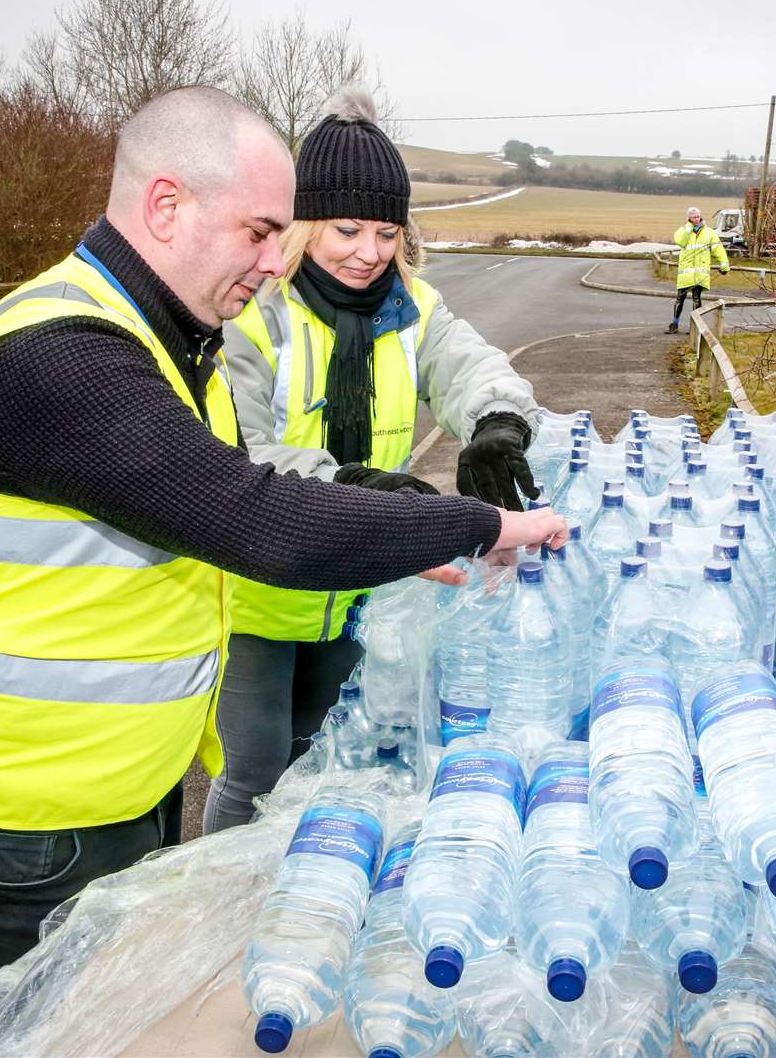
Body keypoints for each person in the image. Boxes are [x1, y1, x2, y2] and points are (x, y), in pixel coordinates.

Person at [0, 86, 565, 1044]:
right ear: (166, 205)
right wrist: (464, 524)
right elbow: (255, 518)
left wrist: (445, 473)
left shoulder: (167, 340)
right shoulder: (60, 357)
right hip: (14, 814)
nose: (273, 260)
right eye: (259, 231)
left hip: (116, 787)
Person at [204, 89, 540, 833]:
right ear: (303, 225)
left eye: (387, 233)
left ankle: (302, 895)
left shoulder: (411, 308)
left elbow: (472, 367)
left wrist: (499, 425)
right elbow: (241, 451)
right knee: (256, 770)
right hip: (254, 596)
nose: (368, 253)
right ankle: (225, 908)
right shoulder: (255, 313)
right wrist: (359, 489)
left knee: (330, 758)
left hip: (362, 588)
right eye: (347, 229)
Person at [667, 205, 730, 333]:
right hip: (686, 273)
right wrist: (688, 228)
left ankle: (695, 327)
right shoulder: (682, 231)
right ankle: (674, 324)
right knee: (680, 297)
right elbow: (680, 241)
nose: (696, 219)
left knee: (697, 298)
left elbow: (718, 249)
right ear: (688, 218)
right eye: (693, 217)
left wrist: (724, 265)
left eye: (697, 216)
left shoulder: (709, 233)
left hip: (700, 273)